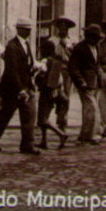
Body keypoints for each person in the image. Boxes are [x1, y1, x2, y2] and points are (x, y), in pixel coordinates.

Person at [0, 18, 40, 155]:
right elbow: (12, 70)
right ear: (19, 29)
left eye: (29, 29)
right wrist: (20, 89)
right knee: (5, 115)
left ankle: (27, 145)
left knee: (28, 115)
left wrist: (32, 74)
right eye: (26, 29)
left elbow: (26, 65)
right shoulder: (11, 46)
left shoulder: (26, 45)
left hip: (25, 85)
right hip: (12, 88)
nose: (28, 31)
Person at [36, 17, 73, 149]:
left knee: (63, 106)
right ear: (57, 28)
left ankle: (62, 128)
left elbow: (72, 59)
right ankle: (44, 139)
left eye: (65, 27)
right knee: (46, 109)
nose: (63, 29)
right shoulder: (51, 41)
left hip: (64, 74)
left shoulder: (70, 42)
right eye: (61, 27)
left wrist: (68, 49)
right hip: (53, 72)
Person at [69, 24, 103, 145]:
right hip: (84, 83)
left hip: (95, 82)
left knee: (89, 109)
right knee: (92, 107)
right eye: (96, 37)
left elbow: (97, 63)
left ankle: (85, 134)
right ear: (89, 37)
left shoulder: (97, 47)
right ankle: (92, 135)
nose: (98, 40)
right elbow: (73, 68)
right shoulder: (80, 48)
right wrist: (80, 81)